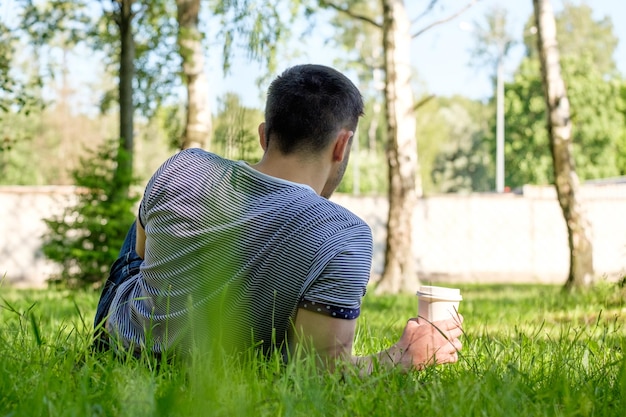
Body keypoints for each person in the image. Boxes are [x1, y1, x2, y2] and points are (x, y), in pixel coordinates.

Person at [93, 64, 463, 372]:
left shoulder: (186, 164)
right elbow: (323, 372)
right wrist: (404, 356)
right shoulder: (346, 233)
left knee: (153, 217)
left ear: (263, 135)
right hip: (215, 369)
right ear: (341, 145)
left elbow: (140, 257)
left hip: (117, 347)